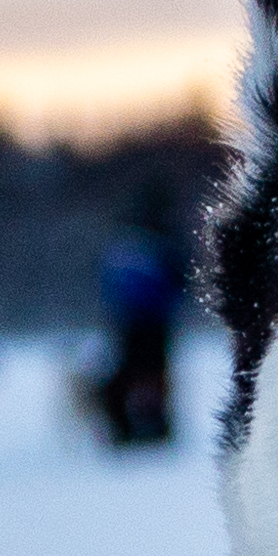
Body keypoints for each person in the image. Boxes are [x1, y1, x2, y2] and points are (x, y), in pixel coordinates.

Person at [89, 192, 185, 449]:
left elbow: (110, 282)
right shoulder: (164, 241)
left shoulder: (126, 243)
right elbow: (179, 280)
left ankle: (130, 428)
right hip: (152, 320)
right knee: (151, 374)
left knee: (133, 374)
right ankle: (153, 426)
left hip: (131, 320)